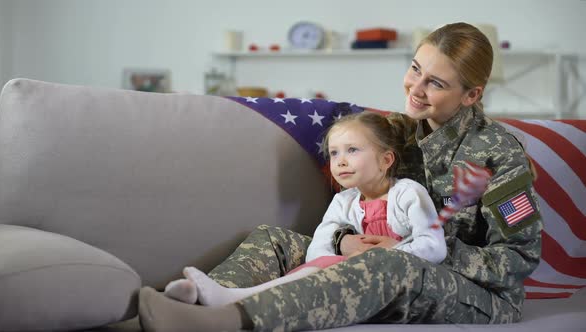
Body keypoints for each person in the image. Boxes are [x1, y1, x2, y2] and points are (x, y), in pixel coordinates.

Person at [138, 22, 542, 331]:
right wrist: (341, 240)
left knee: (390, 265)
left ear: (471, 94)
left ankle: (231, 321)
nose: (415, 88)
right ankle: (195, 302)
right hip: (387, 256)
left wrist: (411, 248)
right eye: (415, 69)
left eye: (435, 83)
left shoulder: (498, 153)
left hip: (480, 296)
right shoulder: (398, 132)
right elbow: (350, 165)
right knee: (272, 239)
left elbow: (519, 259)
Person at [161, 111, 447, 307]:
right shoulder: (344, 201)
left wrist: (386, 253)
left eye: (352, 150)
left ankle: (234, 298)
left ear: (386, 160)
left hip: (394, 283)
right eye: (334, 153)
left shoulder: (409, 192)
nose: (341, 161)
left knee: (324, 271)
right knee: (296, 254)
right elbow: (317, 250)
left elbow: (433, 247)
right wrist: (342, 249)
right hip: (344, 272)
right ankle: (210, 291)